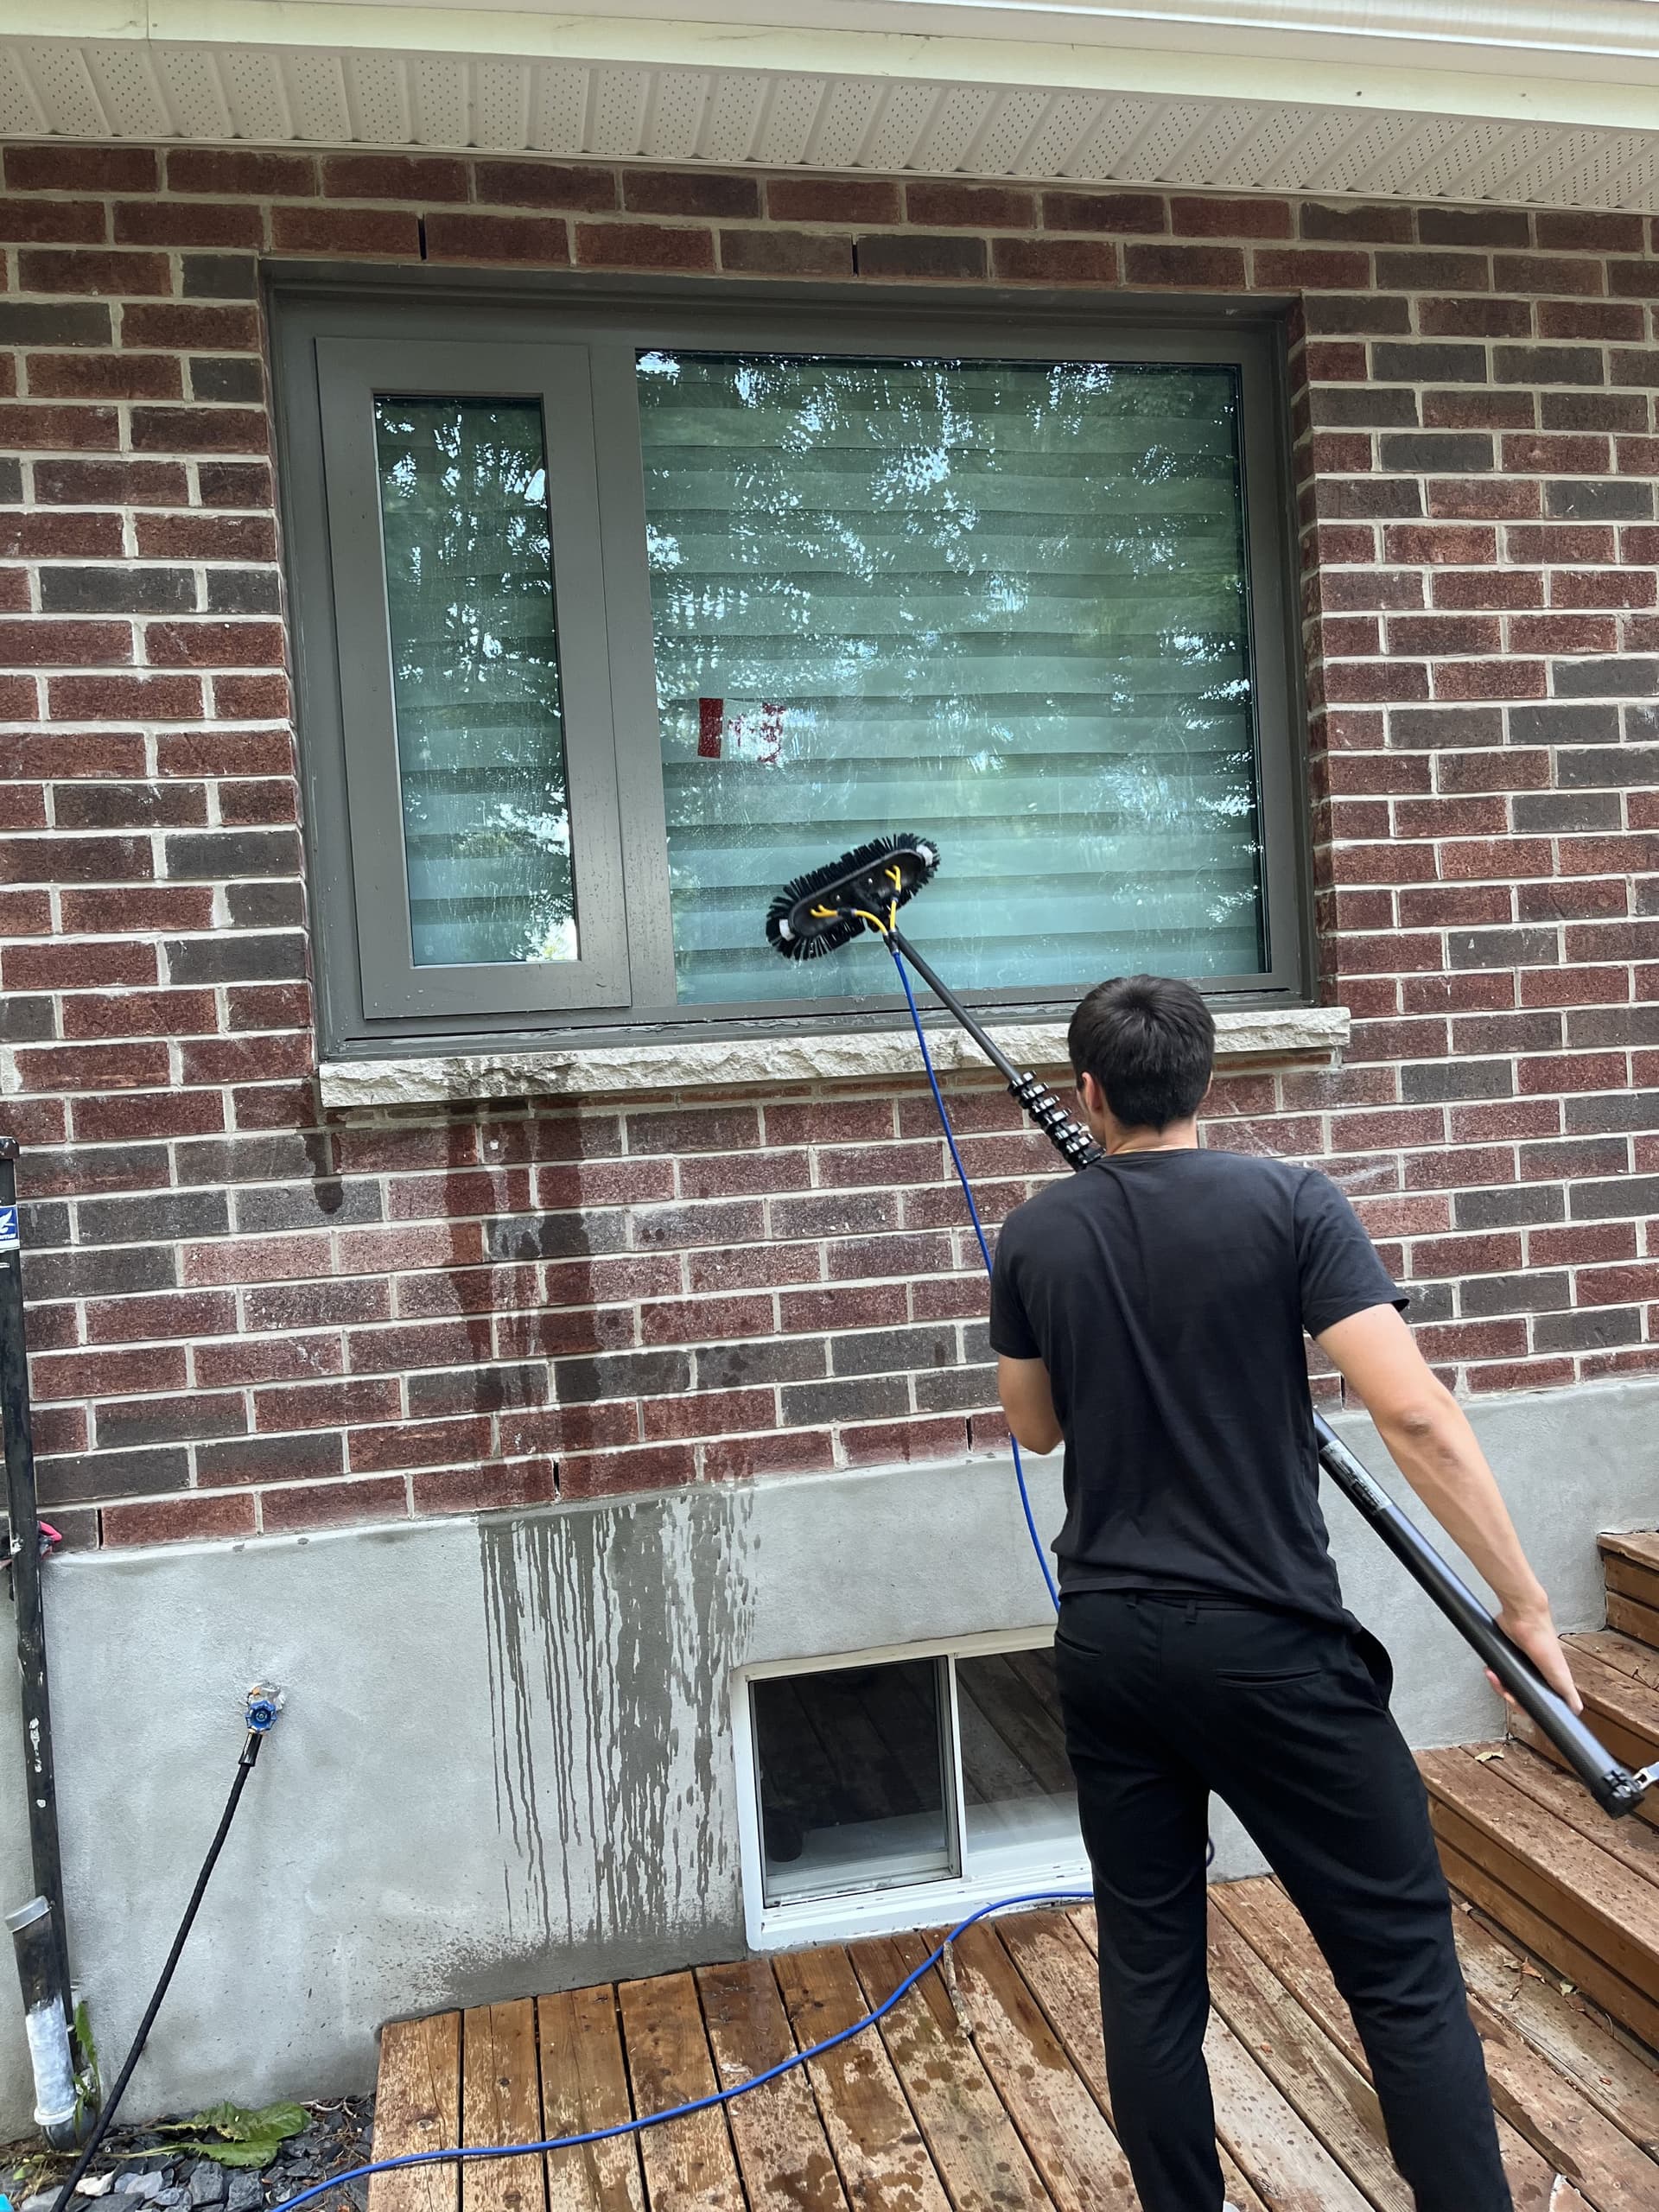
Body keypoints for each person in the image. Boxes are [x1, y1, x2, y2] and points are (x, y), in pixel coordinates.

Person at [988, 974, 1580, 2212]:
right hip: (1271, 1648)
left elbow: (1035, 1428)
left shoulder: (1037, 1233)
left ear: (1090, 1093)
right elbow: (1415, 1413)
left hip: (1110, 1646)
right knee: (1401, 1969)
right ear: (1204, 1079)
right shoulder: (1294, 1203)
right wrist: (1523, 1605)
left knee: (1149, 1969)